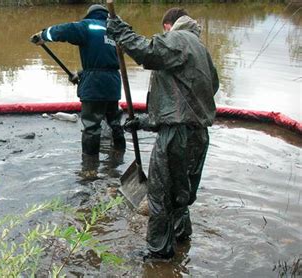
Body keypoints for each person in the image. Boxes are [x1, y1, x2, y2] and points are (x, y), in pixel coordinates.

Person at [106, 8, 219, 261]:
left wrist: (120, 31)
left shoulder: (178, 39)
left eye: (163, 31)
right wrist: (146, 121)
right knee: (181, 194)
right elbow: (199, 94)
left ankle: (158, 255)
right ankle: (181, 237)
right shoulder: (201, 50)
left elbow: (148, 53)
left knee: (159, 196)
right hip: (198, 135)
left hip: (175, 137)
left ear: (168, 26)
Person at [31, 4, 126, 156]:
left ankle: (89, 167)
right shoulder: (115, 31)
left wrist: (43, 35)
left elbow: (64, 30)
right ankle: (119, 155)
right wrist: (81, 74)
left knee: (91, 127)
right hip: (113, 83)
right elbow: (104, 61)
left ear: (90, 15)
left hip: (94, 85)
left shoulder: (88, 25)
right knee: (114, 122)